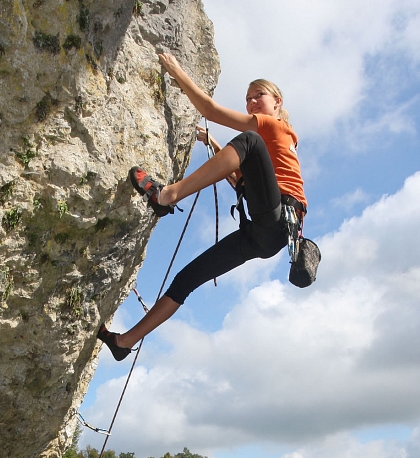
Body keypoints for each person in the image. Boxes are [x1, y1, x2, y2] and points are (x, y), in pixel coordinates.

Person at [98, 52, 309, 361]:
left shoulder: (273, 128)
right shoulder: (278, 148)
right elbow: (240, 182)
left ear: (277, 101)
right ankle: (124, 342)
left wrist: (176, 71)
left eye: (258, 96)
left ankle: (166, 195)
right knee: (186, 279)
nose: (251, 103)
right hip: (266, 233)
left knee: (249, 140)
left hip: (275, 222)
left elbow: (209, 109)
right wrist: (213, 144)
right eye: (248, 98)